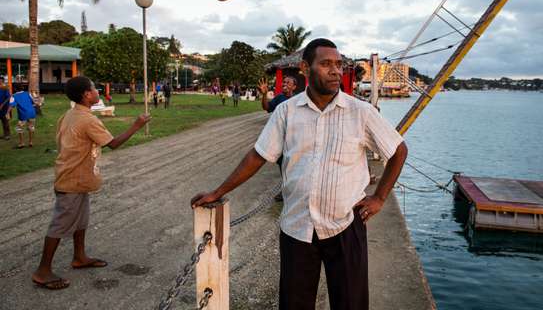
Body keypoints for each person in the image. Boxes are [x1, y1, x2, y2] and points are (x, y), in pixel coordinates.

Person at [191, 38, 408, 310]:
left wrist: (379, 197)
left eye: (338, 65)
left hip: (345, 225)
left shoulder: (360, 113)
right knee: (294, 303)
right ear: (306, 68)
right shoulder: (286, 112)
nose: (335, 71)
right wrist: (218, 192)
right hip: (298, 226)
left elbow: (398, 150)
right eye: (326, 64)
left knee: (351, 303)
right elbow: (258, 156)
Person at [31, 76, 150, 290]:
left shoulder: (69, 114)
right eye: (94, 88)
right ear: (87, 95)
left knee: (81, 221)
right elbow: (113, 144)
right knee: (60, 225)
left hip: (76, 178)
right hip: (72, 180)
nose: (97, 91)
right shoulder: (87, 120)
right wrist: (137, 125)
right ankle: (43, 271)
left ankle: (79, 257)